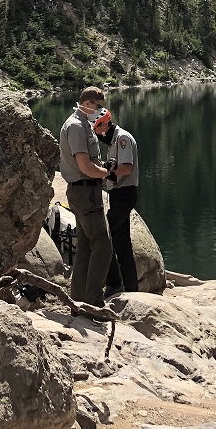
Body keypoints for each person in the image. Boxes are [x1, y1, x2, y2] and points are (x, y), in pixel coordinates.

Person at [58, 87, 112, 307]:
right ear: (88, 103)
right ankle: (94, 300)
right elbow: (85, 166)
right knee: (103, 244)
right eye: (99, 106)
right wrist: (108, 174)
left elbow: (91, 163)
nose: (101, 111)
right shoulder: (77, 127)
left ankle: (79, 297)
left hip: (85, 191)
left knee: (86, 246)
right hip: (85, 192)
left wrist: (103, 167)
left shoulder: (83, 125)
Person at [94, 107, 139, 298]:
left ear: (104, 124)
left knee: (105, 237)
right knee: (122, 244)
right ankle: (132, 289)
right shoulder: (113, 139)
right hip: (118, 194)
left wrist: (108, 173)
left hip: (124, 194)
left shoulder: (122, 139)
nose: (95, 132)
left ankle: (114, 283)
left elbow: (126, 168)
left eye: (95, 127)